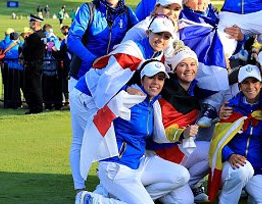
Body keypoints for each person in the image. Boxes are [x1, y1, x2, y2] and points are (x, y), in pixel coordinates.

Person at [69, 16, 175, 192]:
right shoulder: (131, 51)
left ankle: (95, 188)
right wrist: (124, 93)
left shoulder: (158, 55)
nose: (161, 40)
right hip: (88, 95)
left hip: (98, 95)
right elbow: (106, 83)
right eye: (157, 34)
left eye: (166, 36)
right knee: (95, 139)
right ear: (148, 33)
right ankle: (86, 189)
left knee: (96, 140)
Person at [75, 60, 193, 204]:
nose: (156, 82)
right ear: (143, 79)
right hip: (116, 166)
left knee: (181, 175)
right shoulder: (127, 98)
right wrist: (124, 88)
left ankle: (121, 197)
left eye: (160, 78)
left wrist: (182, 135)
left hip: (139, 163)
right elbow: (103, 89)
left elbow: (154, 138)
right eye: (151, 77)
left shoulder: (153, 103)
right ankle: (92, 200)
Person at [208, 65, 262, 204]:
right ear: (239, 86)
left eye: (254, 81)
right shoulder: (230, 108)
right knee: (241, 171)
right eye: (246, 82)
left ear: (260, 84)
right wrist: (230, 155)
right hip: (232, 166)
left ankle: (251, 196)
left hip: (259, 170)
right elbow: (218, 140)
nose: (250, 86)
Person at [149, 44, 210, 202]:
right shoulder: (163, 90)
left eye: (192, 64)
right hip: (160, 153)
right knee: (185, 202)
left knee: (214, 150)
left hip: (180, 149)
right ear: (173, 68)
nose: (188, 69)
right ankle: (146, 191)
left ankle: (187, 183)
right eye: (182, 65)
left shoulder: (195, 89)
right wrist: (182, 133)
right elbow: (160, 130)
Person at [177, 0, 242, 128]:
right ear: (186, 2)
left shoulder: (215, 15)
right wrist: (219, 51)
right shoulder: (184, 19)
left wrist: (239, 39)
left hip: (221, 59)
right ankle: (211, 107)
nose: (201, 1)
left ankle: (219, 111)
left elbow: (228, 37)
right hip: (198, 59)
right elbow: (193, 39)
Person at [68, 0, 138, 92]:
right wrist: (93, 60)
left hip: (112, 78)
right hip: (82, 76)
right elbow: (72, 39)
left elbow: (140, 35)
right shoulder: (89, 9)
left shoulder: (127, 13)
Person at [21, 14, 46, 114]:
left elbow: (27, 50)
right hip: (38, 63)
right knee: (36, 86)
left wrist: (23, 55)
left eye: (31, 22)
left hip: (32, 64)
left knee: (32, 87)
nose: (30, 24)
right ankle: (37, 107)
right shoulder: (42, 35)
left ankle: (35, 107)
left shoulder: (34, 36)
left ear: (35, 23)